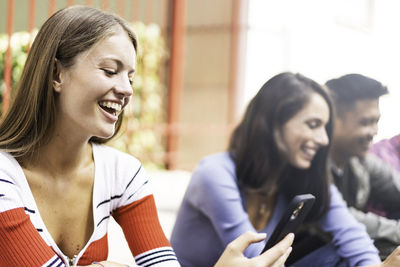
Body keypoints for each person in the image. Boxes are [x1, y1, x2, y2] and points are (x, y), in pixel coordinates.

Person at [0, 6, 295, 267]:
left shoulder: (122, 173)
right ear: (56, 74)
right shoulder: (5, 175)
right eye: (110, 70)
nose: (127, 89)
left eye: (130, 76)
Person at [170, 72, 387, 267]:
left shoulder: (299, 175)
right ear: (273, 123)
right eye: (313, 125)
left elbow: (350, 233)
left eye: (325, 127)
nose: (324, 139)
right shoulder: (215, 173)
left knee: (336, 254)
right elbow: (255, 258)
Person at [326, 74, 400, 260]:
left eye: (376, 121)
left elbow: (394, 186)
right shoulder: (309, 165)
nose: (374, 132)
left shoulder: (359, 159)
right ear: (332, 119)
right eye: (365, 122)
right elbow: (347, 219)